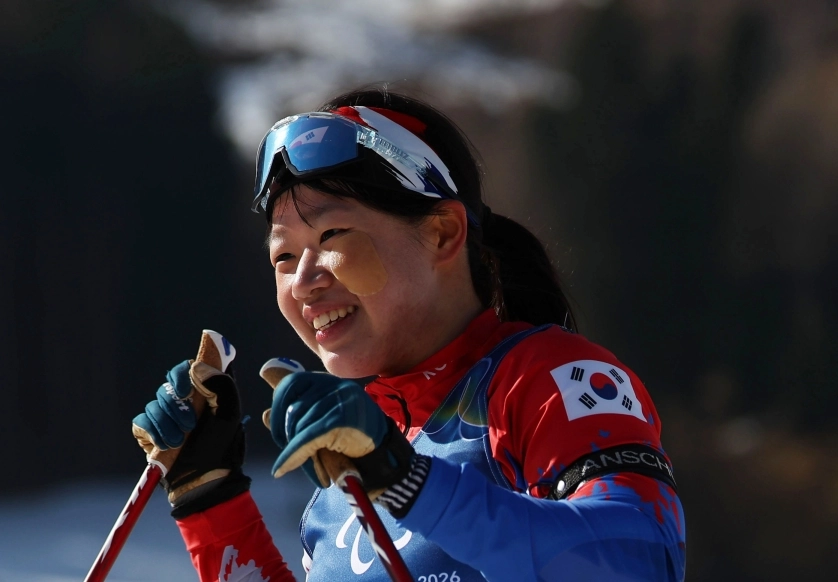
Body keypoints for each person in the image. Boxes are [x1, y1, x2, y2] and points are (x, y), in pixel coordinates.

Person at [131, 88, 686, 581]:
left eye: (332, 234)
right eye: (284, 256)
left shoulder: (548, 379)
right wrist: (209, 496)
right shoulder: (346, 470)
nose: (302, 282)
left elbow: (638, 561)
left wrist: (408, 481)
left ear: (442, 233)